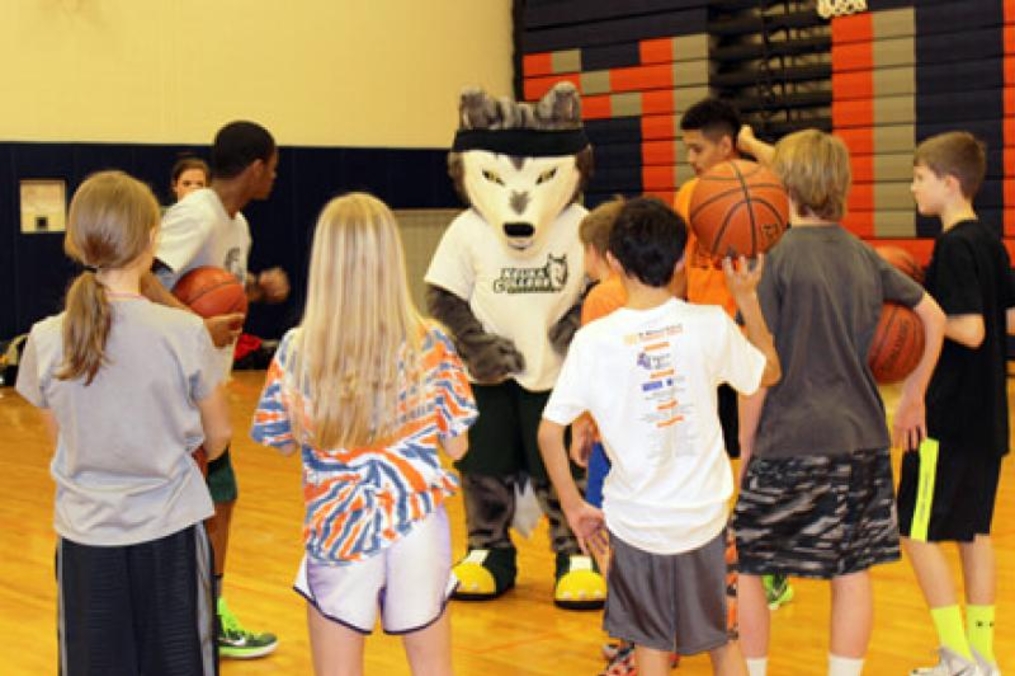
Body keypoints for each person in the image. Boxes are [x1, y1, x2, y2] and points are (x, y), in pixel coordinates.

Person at [732, 129, 946, 676]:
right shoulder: (863, 255)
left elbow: (759, 365)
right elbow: (933, 317)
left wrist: (745, 445)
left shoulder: (769, 260)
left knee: (753, 566)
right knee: (851, 573)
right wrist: (913, 396)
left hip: (788, 440)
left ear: (782, 183)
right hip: (862, 440)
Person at [539, 196, 782, 676]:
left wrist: (572, 507)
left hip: (636, 525)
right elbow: (768, 372)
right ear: (678, 262)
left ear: (611, 262)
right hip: (704, 520)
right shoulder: (710, 324)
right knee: (722, 642)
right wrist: (748, 298)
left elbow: (550, 433)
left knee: (650, 648)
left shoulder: (593, 341)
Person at [250, 192, 477, 675]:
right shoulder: (433, 341)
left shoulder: (297, 348)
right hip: (416, 521)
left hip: (339, 526)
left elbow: (279, 437)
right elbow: (458, 444)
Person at [15, 170, 232, 675]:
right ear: (151, 239)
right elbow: (218, 439)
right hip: (171, 535)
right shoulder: (184, 332)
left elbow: (61, 441)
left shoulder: (46, 338)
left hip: (86, 538)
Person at [141, 120, 290, 659]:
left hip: (207, 385)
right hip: (174, 385)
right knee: (198, 502)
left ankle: (203, 612)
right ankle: (199, 615)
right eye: (272, 166)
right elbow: (140, 276)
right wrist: (192, 325)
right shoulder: (196, 214)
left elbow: (214, 292)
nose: (275, 175)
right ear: (254, 167)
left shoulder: (238, 225)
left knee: (217, 501)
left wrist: (254, 291)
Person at [898, 131, 1013, 676]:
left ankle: (955, 655)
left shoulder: (955, 245)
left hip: (947, 416)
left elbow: (969, 329)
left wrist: (922, 313)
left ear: (949, 183)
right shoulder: (990, 241)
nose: (912, 187)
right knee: (973, 535)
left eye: (919, 178)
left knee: (915, 533)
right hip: (987, 414)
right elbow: (1009, 320)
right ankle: (982, 658)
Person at [678, 97, 795, 612]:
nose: (691, 159)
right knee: (708, 462)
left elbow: (801, 171)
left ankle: (768, 570)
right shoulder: (688, 196)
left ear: (726, 145)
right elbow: (680, 268)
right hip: (702, 345)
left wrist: (750, 144)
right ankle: (715, 567)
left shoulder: (769, 188)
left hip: (749, 340)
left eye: (698, 148)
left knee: (756, 460)